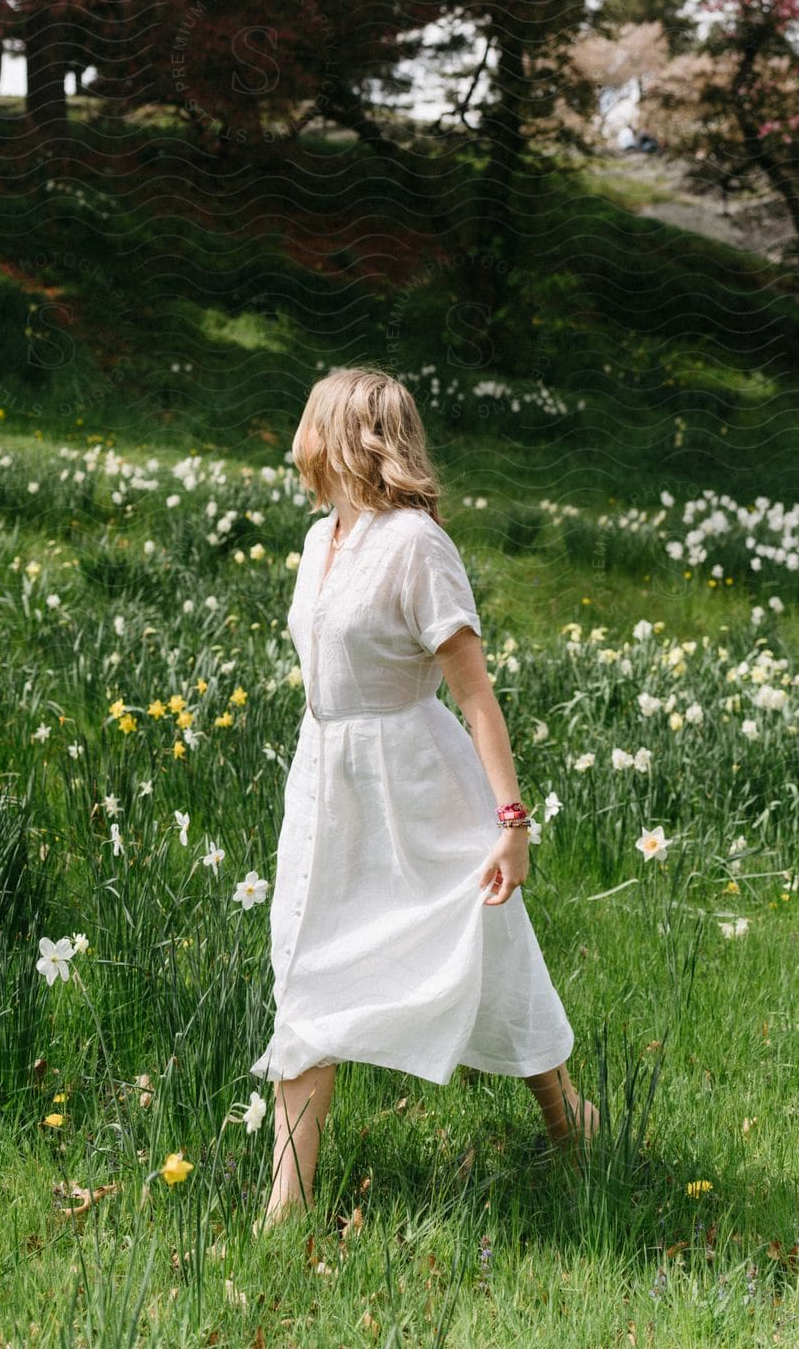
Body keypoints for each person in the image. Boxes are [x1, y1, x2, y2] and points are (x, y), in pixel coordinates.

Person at [250, 367, 598, 1231]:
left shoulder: (416, 545)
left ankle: (571, 1123)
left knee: (487, 949)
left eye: (311, 417)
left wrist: (512, 823)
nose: (298, 432)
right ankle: (284, 1211)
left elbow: (475, 693)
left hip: (414, 782)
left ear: (345, 431)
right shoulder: (317, 537)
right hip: (327, 782)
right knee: (308, 969)